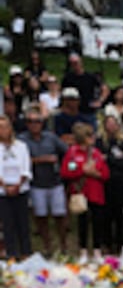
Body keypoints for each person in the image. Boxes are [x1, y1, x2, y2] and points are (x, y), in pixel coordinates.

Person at [20, 107, 67, 257]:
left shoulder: (51, 137)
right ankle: (47, 245)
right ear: (26, 124)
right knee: (41, 217)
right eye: (30, 121)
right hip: (36, 184)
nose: (34, 124)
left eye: (37, 121)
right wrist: (41, 160)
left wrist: (65, 167)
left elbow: (66, 151)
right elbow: (21, 161)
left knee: (60, 215)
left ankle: (63, 245)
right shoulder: (21, 140)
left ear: (42, 123)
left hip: (55, 181)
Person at [61, 122, 109, 259]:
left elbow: (105, 174)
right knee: (82, 222)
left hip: (96, 193)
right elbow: (66, 172)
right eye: (90, 136)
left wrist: (95, 174)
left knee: (98, 222)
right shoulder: (72, 153)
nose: (93, 138)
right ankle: (82, 250)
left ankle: (97, 250)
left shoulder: (96, 153)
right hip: (81, 192)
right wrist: (82, 171)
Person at [0, 114, 33, 259]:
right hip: (3, 191)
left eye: (6, 127)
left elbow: (26, 167)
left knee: (23, 223)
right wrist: (5, 186)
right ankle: (11, 254)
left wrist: (18, 184)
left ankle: (26, 253)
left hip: (20, 189)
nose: (3, 130)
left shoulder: (21, 146)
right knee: (8, 224)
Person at [97, 114, 123, 252]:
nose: (111, 126)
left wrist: (109, 159)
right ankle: (107, 243)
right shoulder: (100, 143)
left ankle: (122, 243)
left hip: (120, 182)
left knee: (120, 215)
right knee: (106, 215)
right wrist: (114, 159)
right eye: (108, 123)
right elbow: (99, 160)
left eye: (113, 123)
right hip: (104, 183)